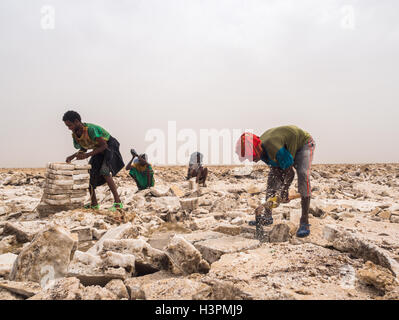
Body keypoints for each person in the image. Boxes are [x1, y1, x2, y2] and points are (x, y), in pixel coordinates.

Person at [236, 125, 316, 238]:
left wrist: (284, 190)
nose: (252, 160)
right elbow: (277, 170)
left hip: (303, 144)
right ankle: (267, 216)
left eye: (252, 157)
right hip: (285, 148)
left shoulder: (274, 147)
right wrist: (277, 191)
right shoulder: (261, 150)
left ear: (256, 150)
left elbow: (290, 173)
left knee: (303, 174)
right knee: (271, 181)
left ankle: (304, 221)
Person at [63, 111, 124, 211]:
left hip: (109, 146)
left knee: (105, 171)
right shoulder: (75, 135)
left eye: (70, 125)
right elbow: (84, 148)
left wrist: (87, 155)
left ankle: (118, 203)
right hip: (98, 150)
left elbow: (104, 145)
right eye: (67, 126)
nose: (69, 128)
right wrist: (72, 156)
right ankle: (94, 203)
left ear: (77, 121)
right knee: (90, 175)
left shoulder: (91, 129)